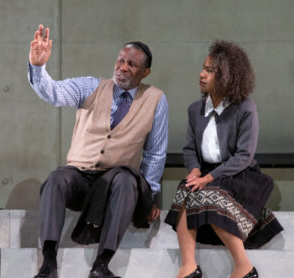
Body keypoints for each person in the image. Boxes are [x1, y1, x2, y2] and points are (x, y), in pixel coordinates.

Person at [28, 24, 168, 278]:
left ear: (145, 72)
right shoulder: (90, 86)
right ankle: (48, 262)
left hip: (117, 183)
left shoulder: (156, 99)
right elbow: (54, 93)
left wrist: (151, 197)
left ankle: (102, 264)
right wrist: (38, 68)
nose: (122, 67)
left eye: (131, 65)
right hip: (81, 178)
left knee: (126, 181)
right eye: (120, 60)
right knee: (56, 179)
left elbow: (156, 153)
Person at [165, 40, 283, 278]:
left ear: (227, 76)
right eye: (203, 68)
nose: (201, 74)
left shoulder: (245, 108)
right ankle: (188, 266)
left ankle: (244, 268)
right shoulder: (194, 110)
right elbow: (189, 148)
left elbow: (244, 155)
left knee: (212, 194)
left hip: (240, 174)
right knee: (186, 189)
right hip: (208, 172)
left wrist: (209, 177)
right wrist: (195, 170)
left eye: (209, 70)